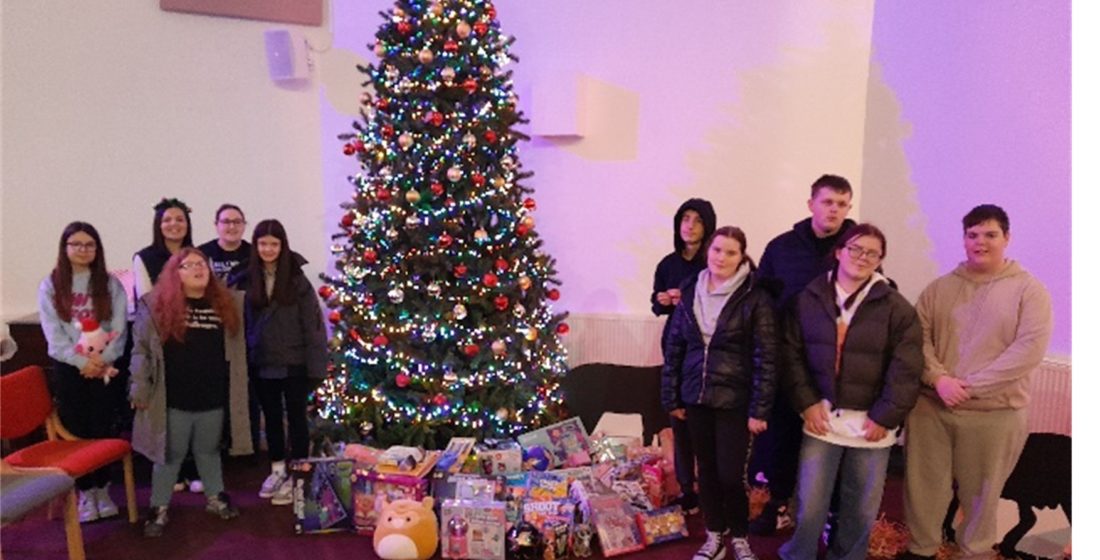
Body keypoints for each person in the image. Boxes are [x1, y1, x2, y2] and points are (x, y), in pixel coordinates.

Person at [900, 205, 1052, 560]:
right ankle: (921, 549)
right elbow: (917, 339)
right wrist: (939, 379)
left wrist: (968, 386)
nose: (980, 242)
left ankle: (975, 553)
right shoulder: (939, 288)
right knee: (923, 489)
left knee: (982, 496)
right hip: (932, 407)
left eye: (990, 234)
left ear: (1007, 238)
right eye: (972, 235)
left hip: (994, 414)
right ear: (964, 239)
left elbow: (1026, 351)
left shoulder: (1030, 292)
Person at [777, 224, 923, 560]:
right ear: (839, 251)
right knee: (810, 504)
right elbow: (791, 355)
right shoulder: (809, 298)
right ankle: (799, 554)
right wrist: (807, 403)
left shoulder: (896, 307)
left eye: (872, 252)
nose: (862, 257)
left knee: (860, 508)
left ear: (880, 260)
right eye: (855, 248)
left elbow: (906, 368)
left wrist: (885, 416)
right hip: (821, 418)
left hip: (872, 425)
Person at [661, 226, 778, 560]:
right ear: (707, 253)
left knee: (730, 475)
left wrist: (760, 409)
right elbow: (676, 348)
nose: (721, 258)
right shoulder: (689, 289)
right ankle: (714, 535)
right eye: (716, 250)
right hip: (695, 398)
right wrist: (672, 398)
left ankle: (739, 536)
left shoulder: (755, 296)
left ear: (742, 257)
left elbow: (767, 357)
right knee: (707, 473)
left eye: (730, 252)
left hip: (735, 401)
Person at [749, 174, 856, 535]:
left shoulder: (857, 247)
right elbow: (760, 301)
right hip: (786, 361)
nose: (834, 210)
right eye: (827, 202)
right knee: (783, 440)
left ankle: (828, 515)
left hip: (835, 367)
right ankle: (778, 504)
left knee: (831, 442)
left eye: (842, 204)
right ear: (811, 204)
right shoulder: (781, 248)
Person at [129, 248, 252, 537]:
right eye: (189, 265)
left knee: (208, 451)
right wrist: (139, 387)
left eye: (202, 264)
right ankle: (159, 507)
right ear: (176, 273)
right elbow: (142, 351)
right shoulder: (156, 305)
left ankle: (215, 496)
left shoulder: (226, 304)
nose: (198, 269)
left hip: (211, 395)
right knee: (169, 455)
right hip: (173, 398)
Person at [37, 222, 128, 523]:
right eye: (76, 244)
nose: (83, 250)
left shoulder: (110, 284)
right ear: (65, 248)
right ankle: (85, 493)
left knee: (103, 428)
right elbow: (54, 336)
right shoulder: (51, 285)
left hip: (105, 367)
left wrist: (103, 360)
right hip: (70, 369)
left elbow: (119, 327)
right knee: (77, 431)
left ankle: (103, 489)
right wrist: (82, 363)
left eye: (89, 245)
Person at [244, 220, 328, 506]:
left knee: (296, 419)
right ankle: (278, 469)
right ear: (256, 246)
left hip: (294, 361)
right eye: (263, 243)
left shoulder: (297, 280)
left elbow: (313, 326)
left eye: (274, 244)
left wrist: (316, 367)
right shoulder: (246, 277)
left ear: (283, 246)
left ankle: (299, 473)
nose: (268, 249)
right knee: (272, 421)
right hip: (262, 362)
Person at [131, 197, 204, 494]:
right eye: (168, 220)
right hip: (162, 340)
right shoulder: (144, 257)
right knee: (168, 409)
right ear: (158, 225)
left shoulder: (197, 255)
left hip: (196, 339)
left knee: (195, 406)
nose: (174, 225)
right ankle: (170, 467)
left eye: (180, 220)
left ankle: (194, 467)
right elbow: (147, 301)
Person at [650, 198, 717, 515]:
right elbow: (657, 304)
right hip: (675, 347)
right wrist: (663, 299)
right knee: (679, 419)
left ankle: (711, 488)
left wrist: (687, 298)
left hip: (705, 351)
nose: (689, 225)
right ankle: (686, 489)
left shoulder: (714, 263)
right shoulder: (667, 264)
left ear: (709, 227)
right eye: (685, 219)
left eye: (697, 220)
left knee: (705, 422)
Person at [199, 204, 251, 287]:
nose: (232, 226)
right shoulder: (201, 253)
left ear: (244, 225)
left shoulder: (254, 253)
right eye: (226, 222)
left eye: (237, 222)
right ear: (216, 225)